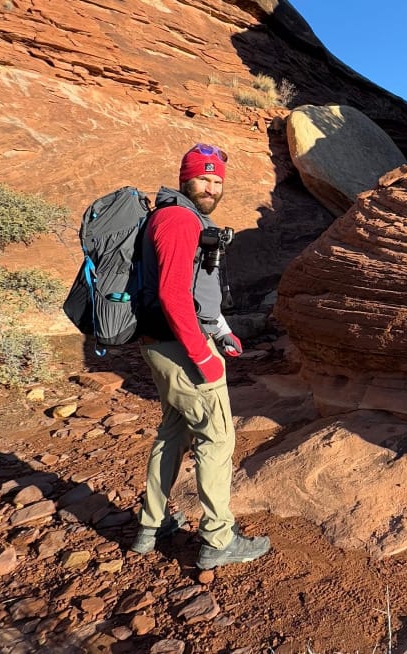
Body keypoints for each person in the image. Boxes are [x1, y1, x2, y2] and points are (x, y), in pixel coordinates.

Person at [129, 143, 271, 570]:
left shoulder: (181, 216)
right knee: (217, 438)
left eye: (216, 180)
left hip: (166, 343)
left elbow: (193, 292)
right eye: (202, 178)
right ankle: (218, 539)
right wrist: (204, 356)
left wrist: (221, 331)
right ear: (184, 178)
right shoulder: (176, 219)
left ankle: (150, 527)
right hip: (180, 347)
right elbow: (174, 296)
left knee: (173, 430)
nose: (210, 186)